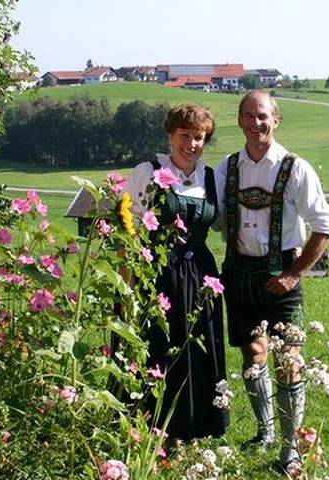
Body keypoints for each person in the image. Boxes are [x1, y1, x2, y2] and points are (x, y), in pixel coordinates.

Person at [215, 90, 329, 470]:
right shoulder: (225, 168)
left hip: (282, 274)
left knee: (289, 360)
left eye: (263, 115)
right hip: (238, 271)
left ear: (276, 120)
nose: (256, 123)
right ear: (239, 121)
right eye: (249, 115)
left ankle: (291, 448)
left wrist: (294, 273)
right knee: (252, 355)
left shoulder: (294, 167)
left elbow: (325, 226)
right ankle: (265, 429)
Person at [124, 104, 228, 441]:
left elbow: (226, 223)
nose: (192, 144)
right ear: (171, 135)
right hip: (158, 274)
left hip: (200, 276)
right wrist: (128, 285)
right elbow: (130, 227)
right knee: (157, 347)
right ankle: (150, 428)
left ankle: (192, 428)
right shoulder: (148, 171)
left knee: (196, 349)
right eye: (185, 135)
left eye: (199, 137)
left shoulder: (211, 178)